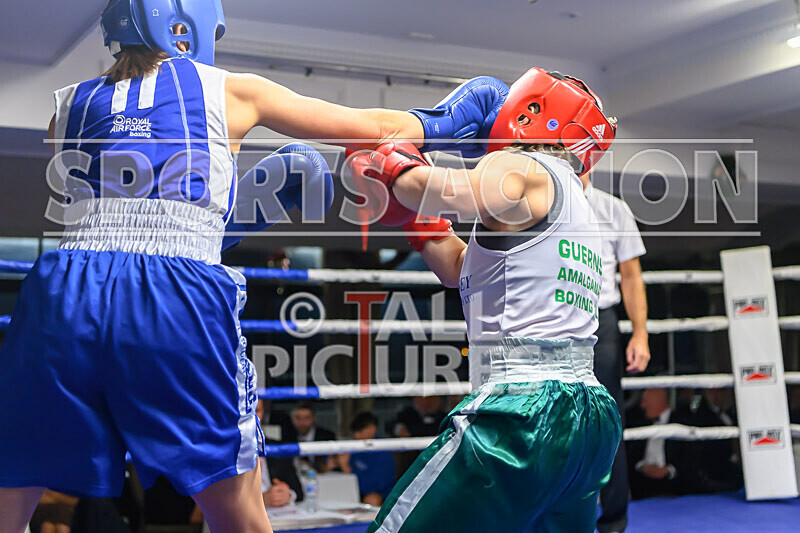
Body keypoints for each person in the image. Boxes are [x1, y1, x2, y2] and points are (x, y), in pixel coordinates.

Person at [0, 1, 509, 532]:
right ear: (188, 25)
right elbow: (371, 128)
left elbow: (124, 200)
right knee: (238, 507)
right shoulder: (232, 89)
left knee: (11, 488)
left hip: (62, 291)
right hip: (173, 292)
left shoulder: (65, 108)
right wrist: (452, 120)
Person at [349, 67, 622, 532]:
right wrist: (416, 220)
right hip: (590, 416)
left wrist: (393, 162)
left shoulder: (523, 164)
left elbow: (443, 191)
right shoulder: (574, 201)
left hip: (524, 407)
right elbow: (462, 270)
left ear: (533, 110)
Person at [583, 174, 650, 532]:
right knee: (551, 417)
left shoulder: (613, 209)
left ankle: (613, 521)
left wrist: (640, 332)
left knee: (608, 422)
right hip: (552, 320)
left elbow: (632, 275)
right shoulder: (539, 203)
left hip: (601, 320)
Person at [328, 413, 396, 508]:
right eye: (355, 432)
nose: (356, 435)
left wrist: (346, 468)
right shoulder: (354, 446)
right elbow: (335, 470)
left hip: (378, 493)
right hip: (354, 490)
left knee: (372, 499)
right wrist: (334, 464)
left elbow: (375, 486)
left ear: (372, 429)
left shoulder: (382, 450)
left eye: (360, 431)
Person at [291, 403, 336, 472]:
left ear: (313, 419)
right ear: (292, 419)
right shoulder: (287, 436)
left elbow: (329, 465)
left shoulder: (326, 436)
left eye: (307, 418)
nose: (302, 422)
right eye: (298, 418)